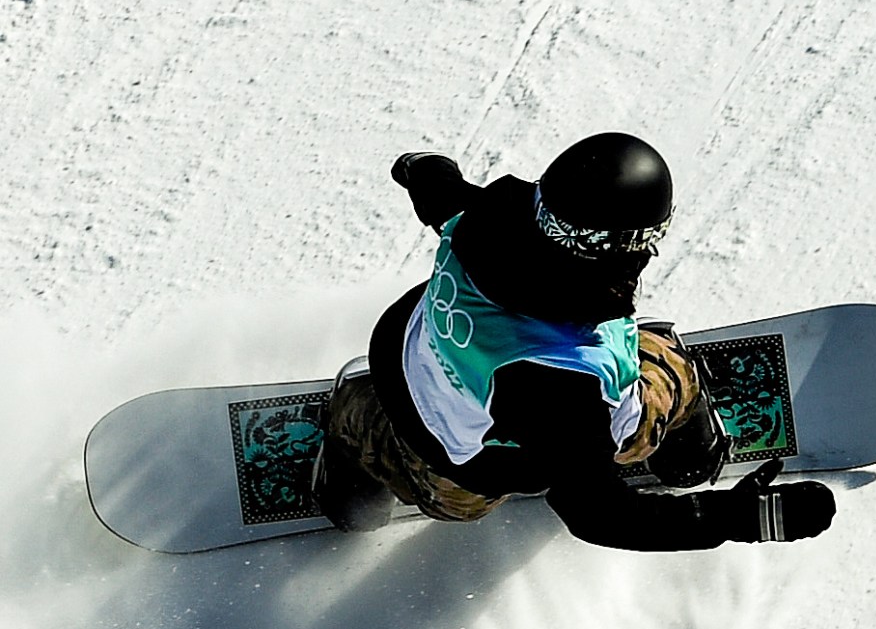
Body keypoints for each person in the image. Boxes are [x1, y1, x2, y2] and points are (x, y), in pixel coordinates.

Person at [312, 132, 835, 550]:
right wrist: (744, 518)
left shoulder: (486, 219)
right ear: (624, 246)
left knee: (444, 489)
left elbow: (438, 192)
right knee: (663, 372)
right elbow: (603, 517)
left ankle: (352, 441)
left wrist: (420, 167)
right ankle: (686, 456)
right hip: (512, 452)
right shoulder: (561, 381)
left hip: (418, 377)